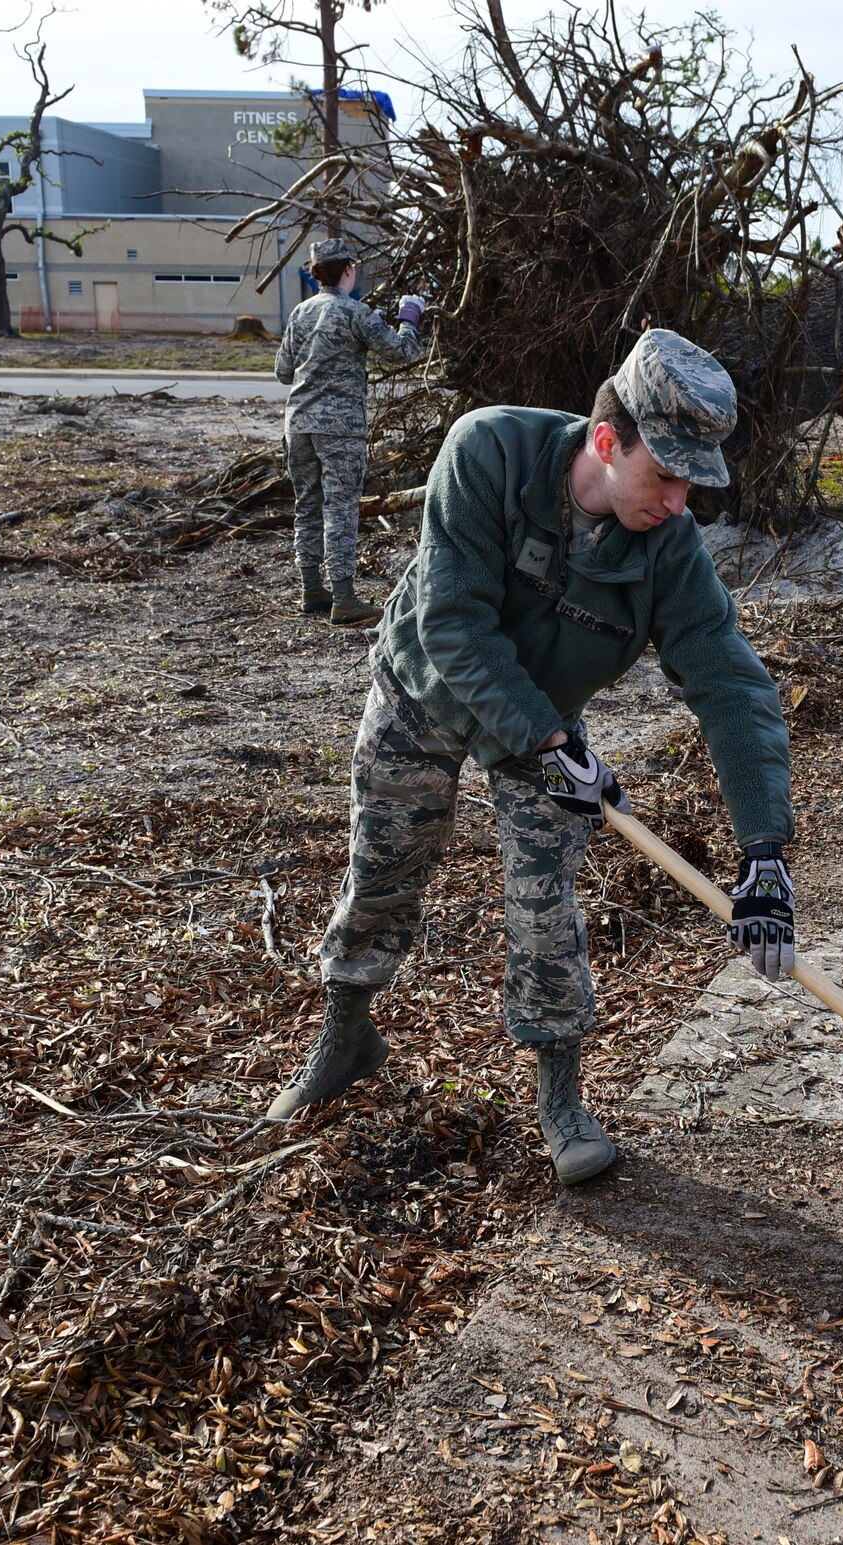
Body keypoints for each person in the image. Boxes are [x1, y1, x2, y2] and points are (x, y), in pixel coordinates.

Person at [265, 329, 798, 1189]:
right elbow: (455, 624)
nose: (678, 504)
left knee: (546, 903)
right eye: (665, 477)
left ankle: (561, 1099)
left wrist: (764, 853)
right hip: (428, 689)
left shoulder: (668, 546)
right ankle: (345, 1035)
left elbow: (732, 687)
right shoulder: (489, 449)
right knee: (384, 869)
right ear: (604, 441)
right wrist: (551, 744)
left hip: (542, 725)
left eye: (693, 485)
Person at [273, 237, 427, 628]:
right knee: (340, 508)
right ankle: (343, 598)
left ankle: (311, 589)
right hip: (340, 429)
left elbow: (282, 372)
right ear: (347, 270)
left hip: (299, 424)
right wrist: (410, 318)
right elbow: (403, 352)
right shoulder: (355, 313)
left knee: (307, 505)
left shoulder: (300, 313)